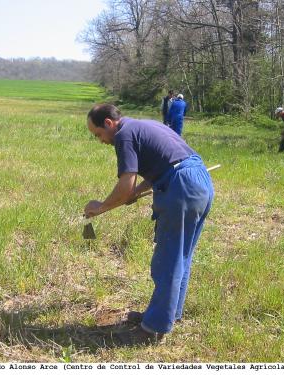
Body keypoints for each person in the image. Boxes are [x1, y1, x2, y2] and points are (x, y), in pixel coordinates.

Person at [84, 104, 214, 345]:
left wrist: (100, 207)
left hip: (181, 186)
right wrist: (137, 191)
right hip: (198, 180)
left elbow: (124, 189)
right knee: (180, 257)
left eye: (98, 134)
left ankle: (153, 329)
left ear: (109, 124)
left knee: (167, 260)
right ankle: (166, 315)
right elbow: (163, 166)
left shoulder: (123, 135)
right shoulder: (143, 125)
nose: (100, 140)